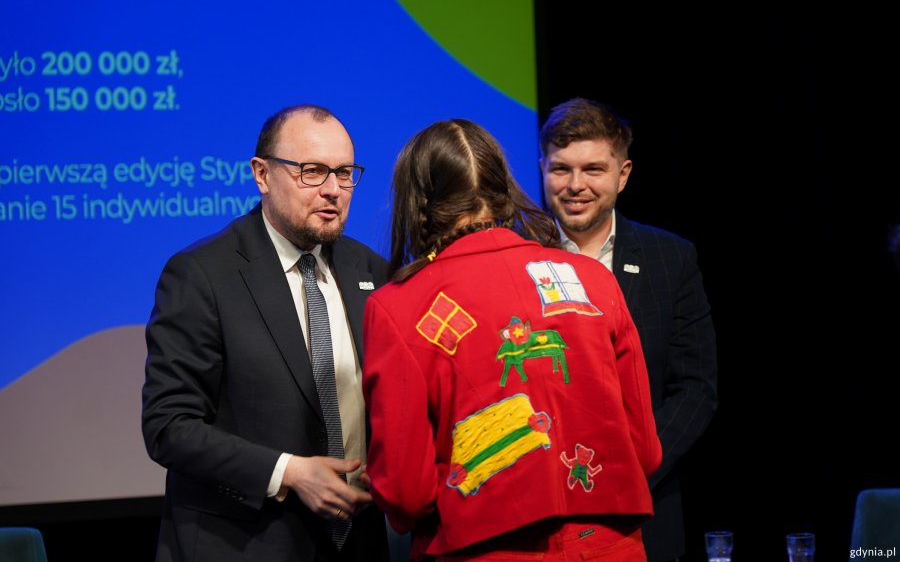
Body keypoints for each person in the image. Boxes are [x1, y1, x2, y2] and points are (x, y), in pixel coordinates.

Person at [362, 119, 662, 561]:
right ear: (503, 188)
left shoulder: (397, 307)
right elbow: (645, 452)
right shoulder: (593, 278)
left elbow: (407, 494)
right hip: (611, 546)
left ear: (419, 201)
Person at [141, 104, 390, 562]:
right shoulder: (202, 275)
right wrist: (288, 472)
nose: (333, 190)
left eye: (344, 173)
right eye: (312, 172)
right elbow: (169, 426)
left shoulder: (371, 270)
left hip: (360, 541)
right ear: (262, 175)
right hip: (244, 544)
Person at [539, 97, 718, 562]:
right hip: (540, 518)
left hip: (646, 510)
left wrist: (631, 468)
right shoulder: (513, 255)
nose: (575, 185)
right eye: (561, 169)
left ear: (623, 174)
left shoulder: (671, 258)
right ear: (542, 168)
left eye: (593, 169)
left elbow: (696, 388)